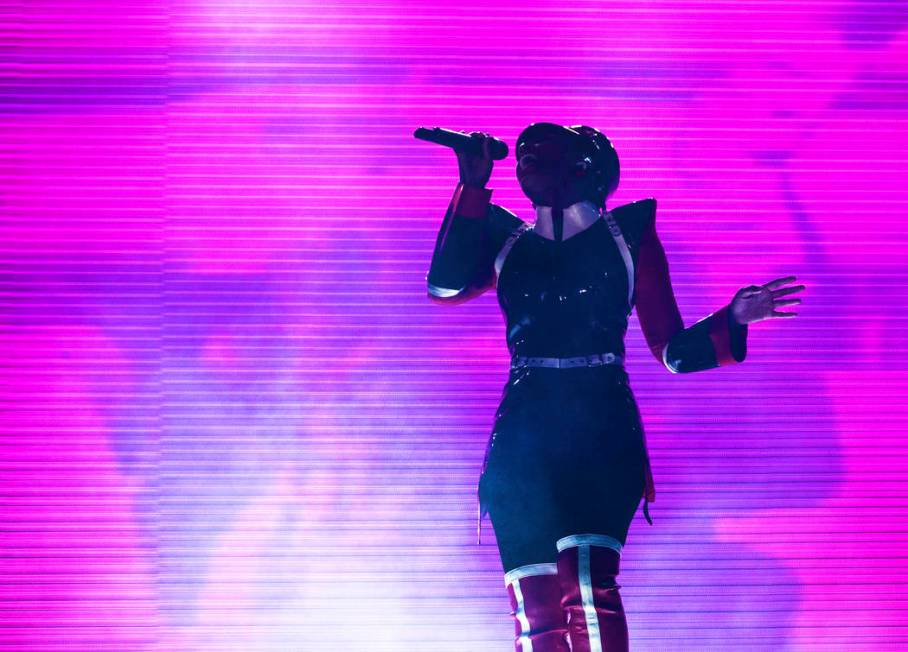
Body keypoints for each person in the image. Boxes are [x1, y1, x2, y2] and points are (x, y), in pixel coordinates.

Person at [425, 123, 804, 652]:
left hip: (599, 422)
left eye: (544, 148)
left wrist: (733, 317)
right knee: (533, 605)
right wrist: (471, 183)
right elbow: (442, 286)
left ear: (586, 166)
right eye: (524, 151)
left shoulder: (627, 239)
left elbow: (671, 350)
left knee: (585, 583)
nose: (527, 154)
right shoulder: (508, 242)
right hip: (522, 430)